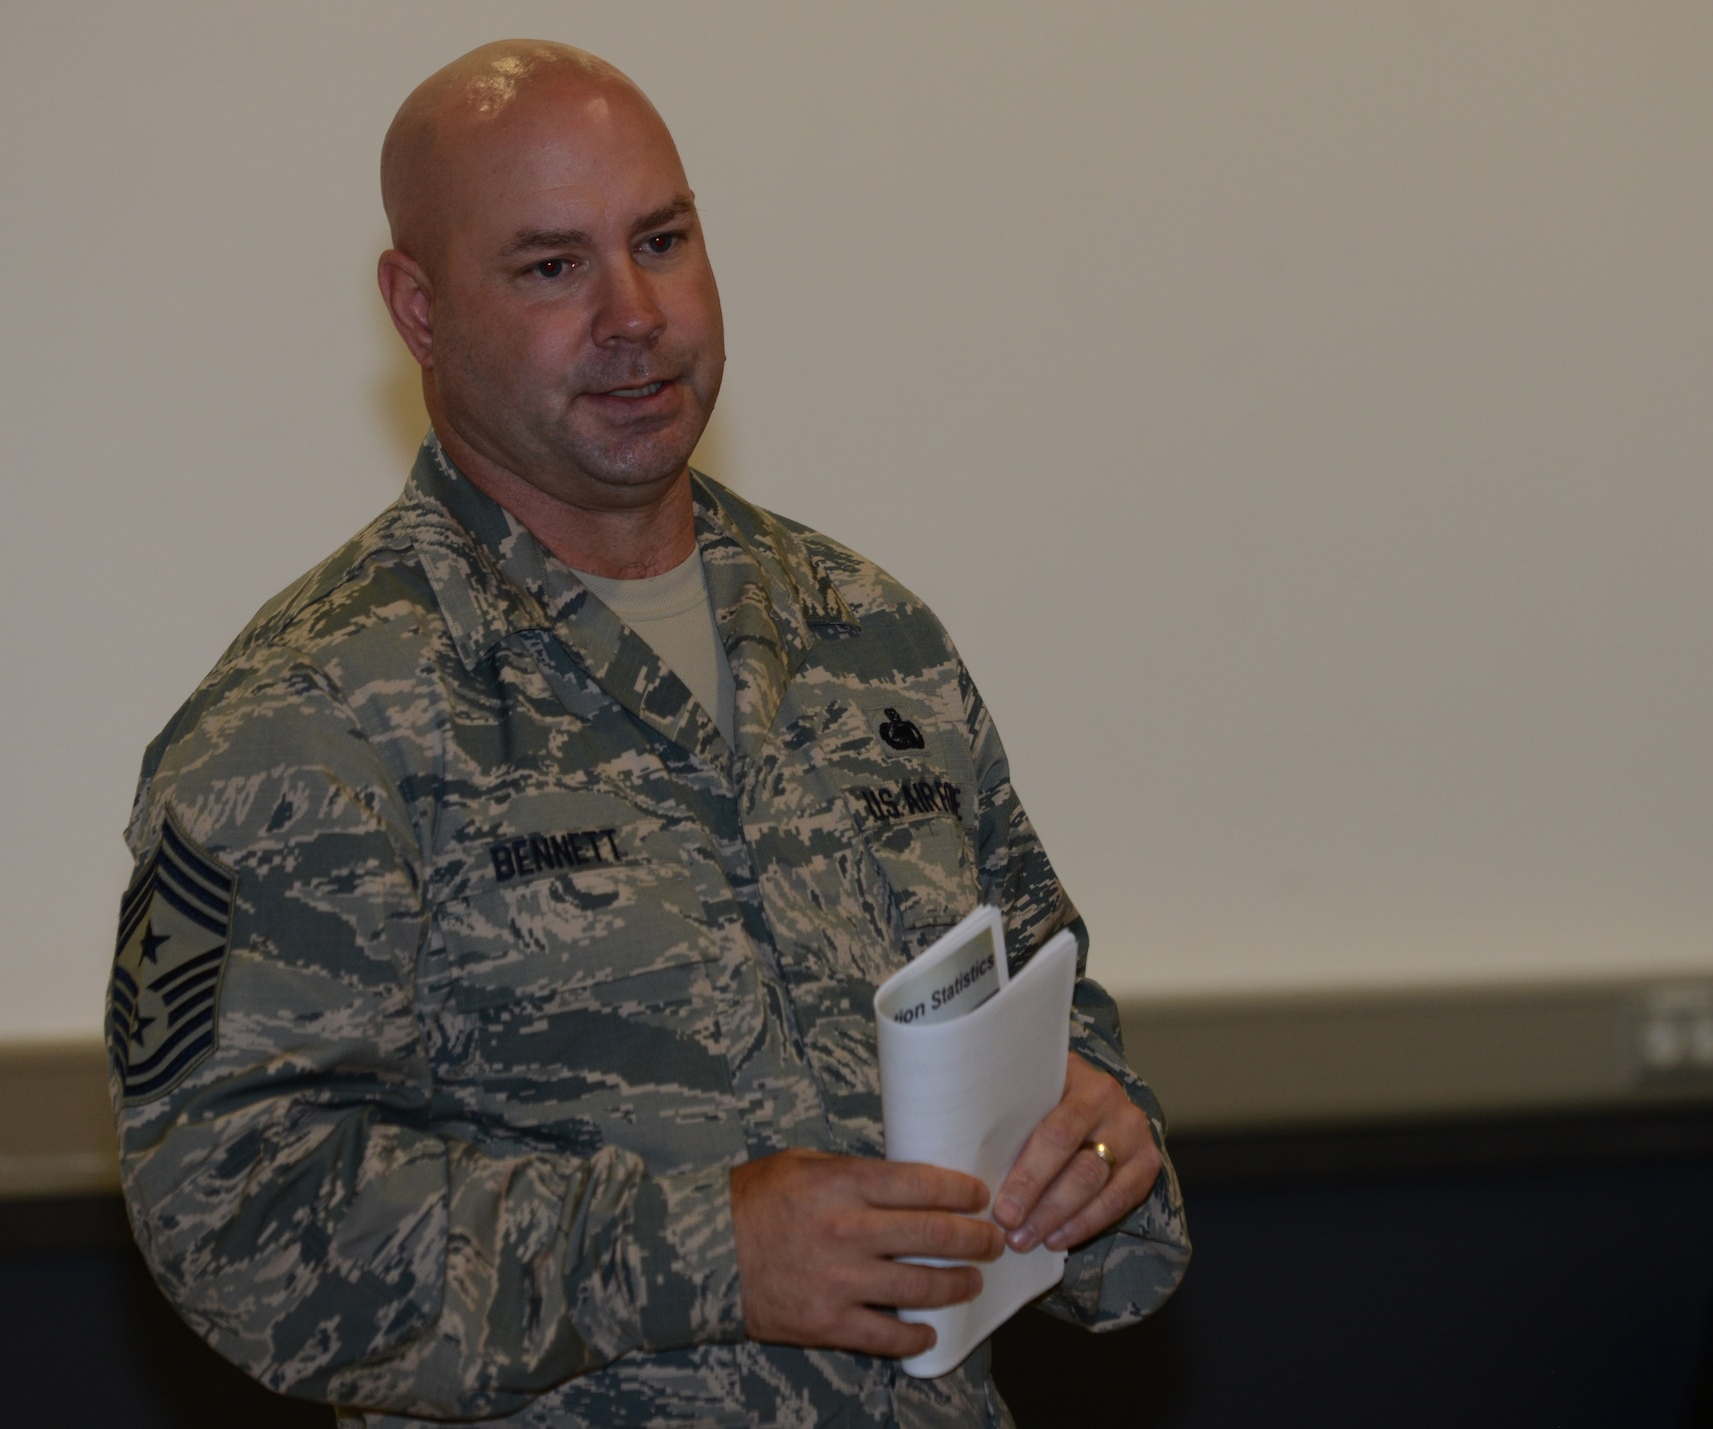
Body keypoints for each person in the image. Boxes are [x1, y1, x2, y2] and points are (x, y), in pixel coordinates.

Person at [109, 39, 1189, 1428]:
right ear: (419, 309)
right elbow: (232, 1209)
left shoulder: (874, 638)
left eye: (662, 241)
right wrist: (706, 1251)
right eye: (551, 266)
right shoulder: (311, 713)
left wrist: (1104, 1150)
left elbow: (1064, 1018)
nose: (635, 312)